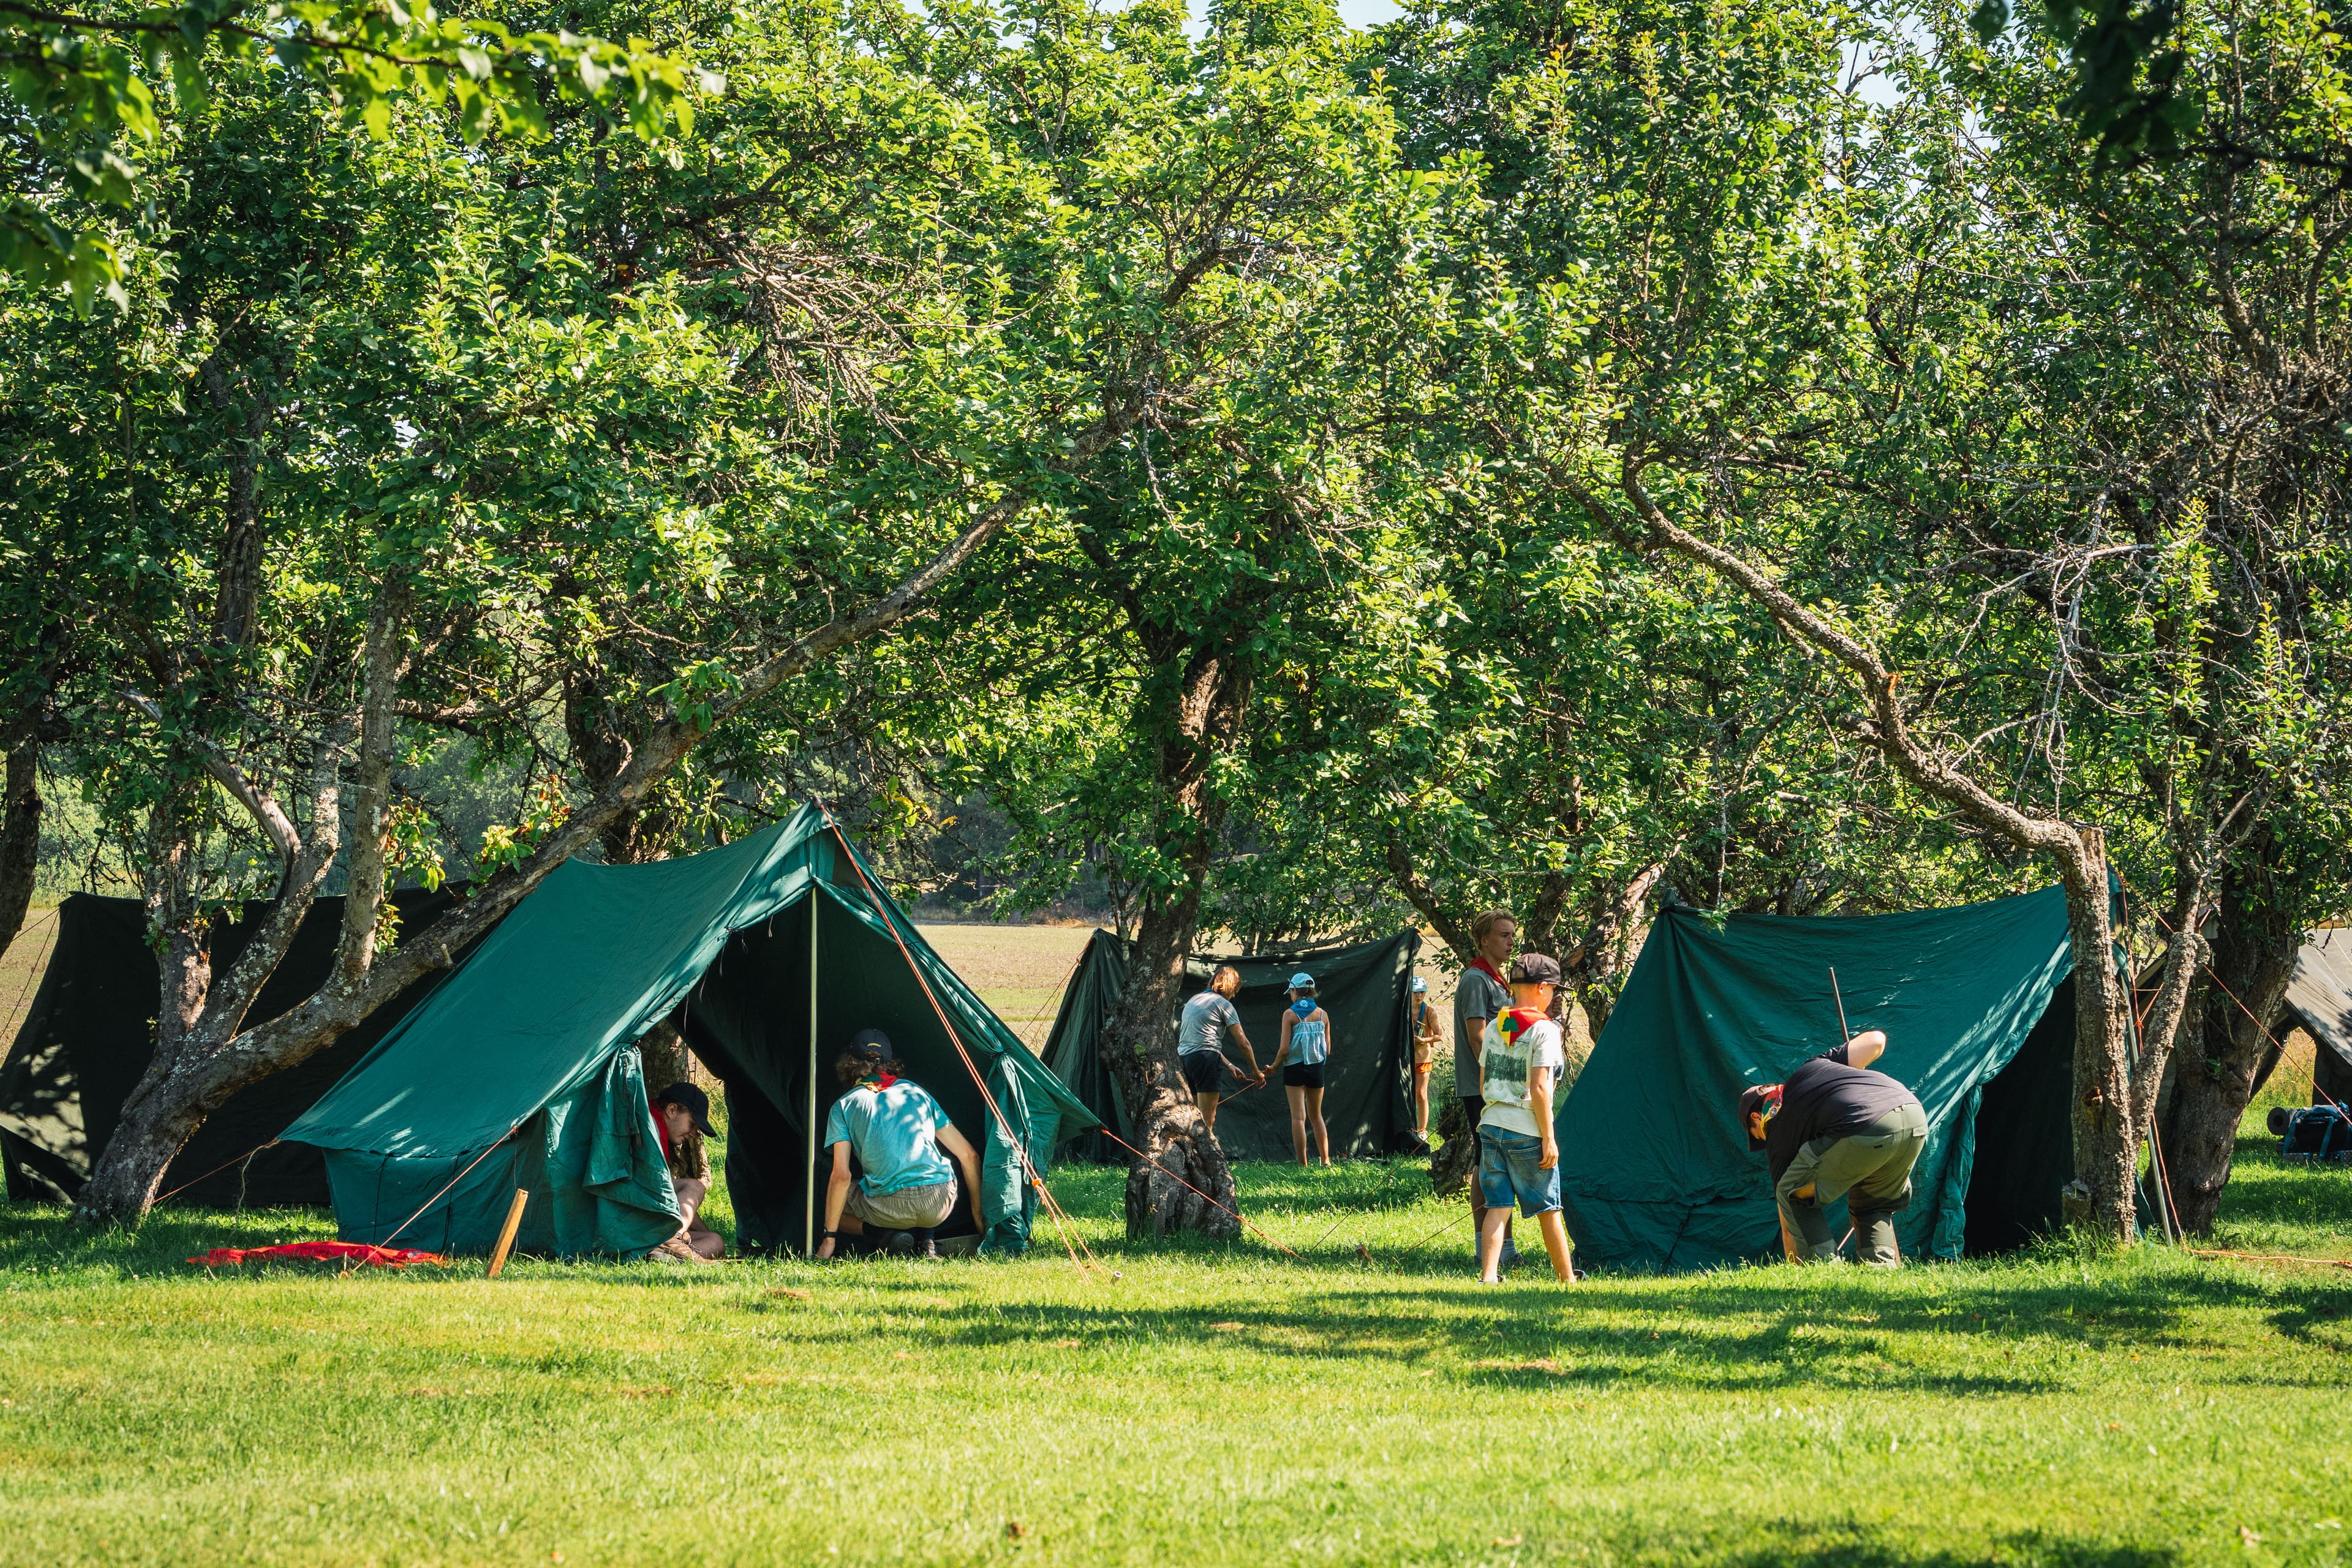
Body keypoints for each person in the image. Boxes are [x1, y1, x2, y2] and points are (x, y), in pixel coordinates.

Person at [1739, 1029, 1928, 1266]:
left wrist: (1793, 1271)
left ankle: (1824, 1271)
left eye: (1758, 1136)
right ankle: (1883, 1272)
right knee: (1874, 1204)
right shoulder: (1817, 1066)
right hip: (1914, 1116)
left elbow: (1789, 1222)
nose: (1765, 1140)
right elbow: (1877, 1040)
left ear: (1756, 1118)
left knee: (1790, 1193)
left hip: (1863, 1124)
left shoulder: (1775, 1129)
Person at [815, 1031, 982, 1261]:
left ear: (849, 1063)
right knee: (926, 1164)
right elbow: (969, 1156)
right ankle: (927, 1242)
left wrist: (829, 1239)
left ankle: (885, 1236)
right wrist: (978, 1218)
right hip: (940, 1202)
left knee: (833, 1199)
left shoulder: (843, 1106)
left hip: (889, 1206)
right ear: (890, 1063)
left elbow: (842, 1176)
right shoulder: (916, 1092)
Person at [1474, 954, 1577, 1283]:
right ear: (1542, 988)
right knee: (1549, 1208)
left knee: (1498, 1205)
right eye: (1554, 990)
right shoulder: (1545, 1029)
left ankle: (1489, 1277)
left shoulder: (1496, 1025)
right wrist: (1549, 1137)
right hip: (1526, 1128)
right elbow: (1540, 1087)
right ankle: (1567, 1279)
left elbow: (1484, 1082)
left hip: (1491, 1123)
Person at [1455, 909, 1517, 1267]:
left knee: (1494, 1160)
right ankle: (1489, 1248)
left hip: (1499, 1084)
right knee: (1487, 1161)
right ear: (1484, 940)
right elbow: (1478, 1038)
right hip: (1483, 1085)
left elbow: (1507, 1033)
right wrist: (1500, 1078)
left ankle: (1499, 1246)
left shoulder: (1498, 980)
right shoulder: (1476, 980)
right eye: (1503, 935)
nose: (1510, 941)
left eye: (1512, 935)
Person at [1177, 964, 1264, 1137]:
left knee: (1194, 1118)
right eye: (1234, 991)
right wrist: (1256, 1072)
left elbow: (1203, 1041)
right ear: (1230, 987)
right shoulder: (1223, 1004)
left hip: (1185, 1061)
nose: (1234, 996)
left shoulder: (1194, 1000)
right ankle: (1206, 1154)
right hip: (1206, 1062)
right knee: (1206, 1121)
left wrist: (1229, 1065)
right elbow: (1244, 1043)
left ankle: (1191, 1153)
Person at [649, 1081, 726, 1262]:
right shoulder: (649, 1125)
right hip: (635, 1222)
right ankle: (671, 1241)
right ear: (672, 1110)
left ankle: (664, 1252)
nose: (693, 1133)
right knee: (695, 1187)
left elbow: (678, 1201)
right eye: (692, 1124)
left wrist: (701, 1231)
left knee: (715, 1241)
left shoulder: (659, 1130)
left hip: (651, 1231)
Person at [1270, 971, 1333, 1167]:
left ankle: (1302, 1164)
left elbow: (1284, 1050)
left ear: (1294, 991)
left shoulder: (1289, 1014)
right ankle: (1326, 1161)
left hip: (1294, 1069)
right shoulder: (1323, 1015)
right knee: (1317, 1115)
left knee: (1298, 1117)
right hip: (1316, 1069)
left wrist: (1274, 1067)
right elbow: (1328, 1050)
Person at [1410, 975, 1441, 1144]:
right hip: (1406, 1058)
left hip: (1423, 1058)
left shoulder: (1429, 1012)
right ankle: (1409, 1128)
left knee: (1421, 1094)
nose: (1419, 996)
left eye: (1422, 992)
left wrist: (1424, 1040)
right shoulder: (1405, 1010)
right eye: (1416, 992)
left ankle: (1422, 1130)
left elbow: (1439, 1035)